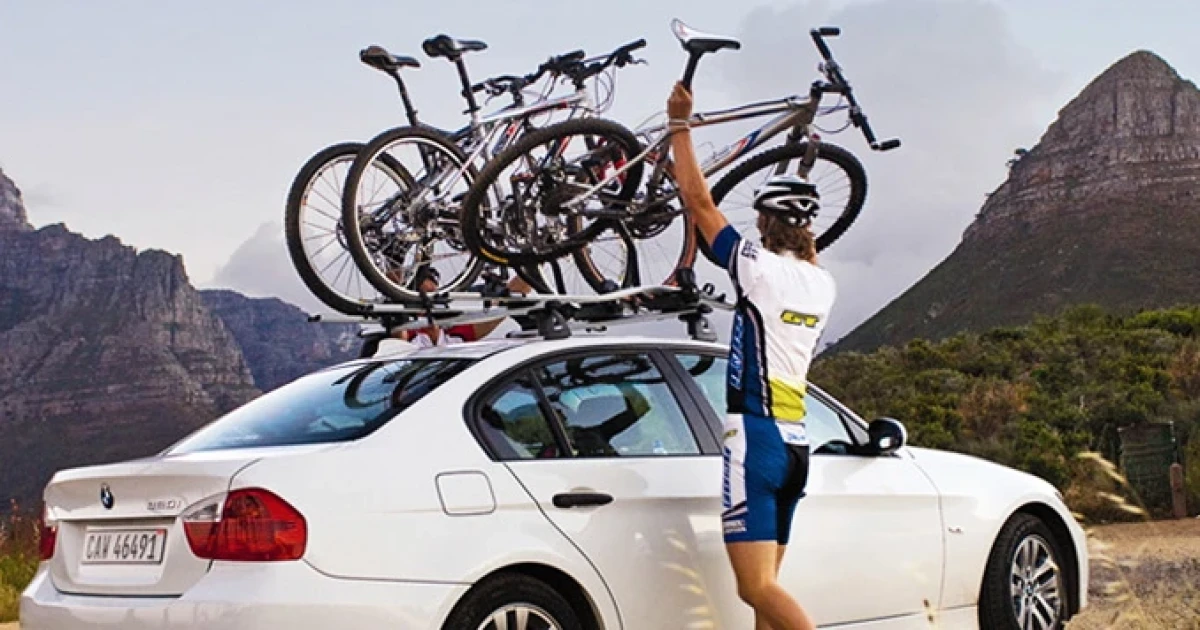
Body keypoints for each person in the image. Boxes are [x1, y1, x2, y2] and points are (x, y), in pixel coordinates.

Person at [667, 81, 836, 630]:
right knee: (769, 595)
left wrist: (679, 125)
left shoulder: (756, 269)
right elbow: (802, 247)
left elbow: (698, 203)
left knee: (754, 588)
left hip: (757, 441)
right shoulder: (823, 284)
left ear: (763, 223)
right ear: (809, 229)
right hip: (796, 446)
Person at [391, 266, 532, 348]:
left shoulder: (452, 335)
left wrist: (534, 265)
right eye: (424, 295)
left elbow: (505, 303)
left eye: (433, 293)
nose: (430, 301)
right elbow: (392, 292)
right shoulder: (410, 334)